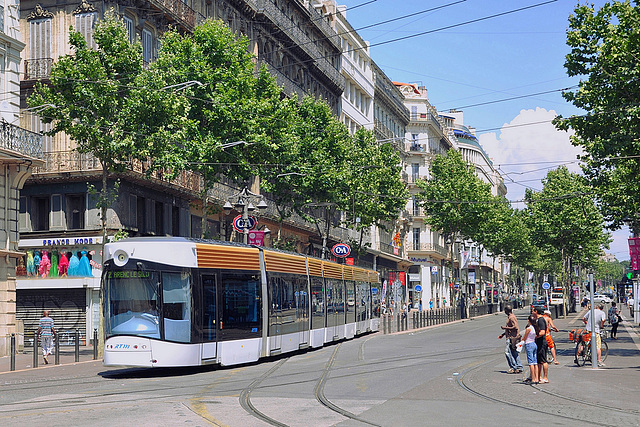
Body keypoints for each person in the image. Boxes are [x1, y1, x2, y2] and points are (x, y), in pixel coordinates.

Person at [498, 305, 522, 374]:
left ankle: (513, 367)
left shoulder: (511, 317)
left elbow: (515, 327)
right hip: (511, 336)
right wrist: (503, 334)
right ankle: (519, 367)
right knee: (514, 353)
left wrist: (505, 328)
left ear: (507, 311)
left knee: (507, 352)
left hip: (512, 338)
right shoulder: (511, 317)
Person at [534, 307, 549, 383]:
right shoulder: (538, 320)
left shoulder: (541, 320)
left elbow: (542, 332)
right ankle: (539, 377)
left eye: (533, 311)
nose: (532, 312)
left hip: (542, 342)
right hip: (539, 343)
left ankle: (545, 377)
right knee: (539, 361)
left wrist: (535, 336)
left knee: (543, 361)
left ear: (536, 311)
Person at [522, 314, 538, 384]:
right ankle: (536, 378)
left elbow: (524, 337)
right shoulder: (535, 328)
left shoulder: (528, 328)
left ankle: (533, 378)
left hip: (529, 344)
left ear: (529, 321)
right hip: (534, 344)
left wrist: (521, 342)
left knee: (531, 362)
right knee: (535, 362)